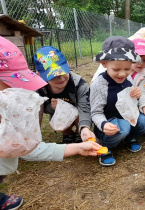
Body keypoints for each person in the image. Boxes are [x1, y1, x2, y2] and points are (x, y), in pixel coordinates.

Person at [0, 36, 101, 210]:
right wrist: (50, 109)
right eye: (11, 84)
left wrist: (81, 137)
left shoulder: (78, 84)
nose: (18, 89)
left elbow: (27, 147)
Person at [90, 36, 145, 167]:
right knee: (123, 126)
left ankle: (129, 137)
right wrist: (103, 125)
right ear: (104, 64)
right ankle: (104, 145)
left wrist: (135, 96)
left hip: (125, 118)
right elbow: (95, 112)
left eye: (127, 69)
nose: (122, 74)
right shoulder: (99, 85)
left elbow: (127, 101)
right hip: (109, 122)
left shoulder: (128, 78)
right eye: (116, 69)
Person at [34, 46, 95, 144]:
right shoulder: (40, 89)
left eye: (62, 71)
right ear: (39, 75)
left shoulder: (79, 84)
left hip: (79, 114)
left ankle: (79, 132)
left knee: (80, 115)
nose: (61, 78)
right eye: (53, 76)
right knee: (59, 122)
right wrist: (52, 108)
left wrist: (84, 128)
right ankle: (67, 133)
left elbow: (84, 108)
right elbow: (41, 110)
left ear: (67, 65)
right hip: (60, 116)